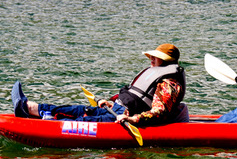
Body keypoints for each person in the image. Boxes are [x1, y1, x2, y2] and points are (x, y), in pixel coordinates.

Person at [12, 44, 188, 125]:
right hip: (116, 109)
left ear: (165, 61)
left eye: (155, 57)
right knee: (79, 109)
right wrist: (111, 103)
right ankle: (28, 107)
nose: (151, 59)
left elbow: (159, 112)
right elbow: (134, 96)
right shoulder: (156, 74)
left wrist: (131, 119)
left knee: (83, 121)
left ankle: (41, 123)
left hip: (123, 118)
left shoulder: (169, 83)